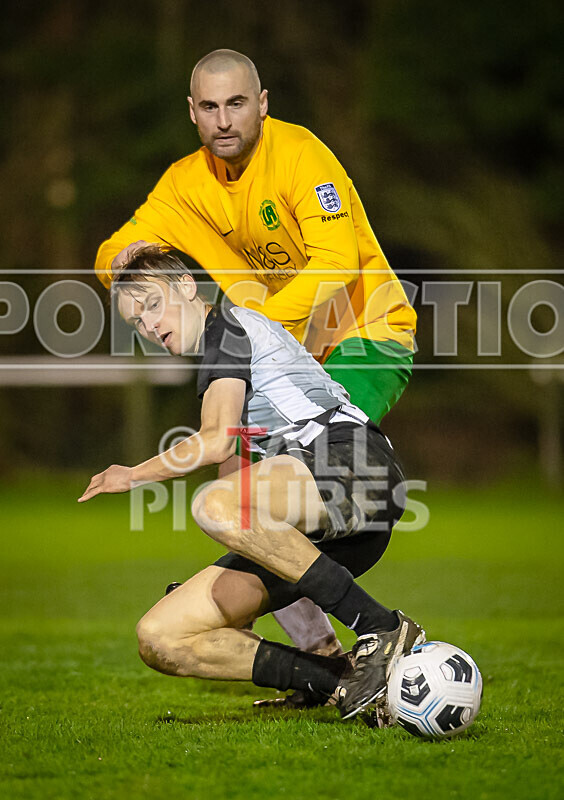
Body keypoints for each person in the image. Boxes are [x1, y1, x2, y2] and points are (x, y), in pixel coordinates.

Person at [93, 48, 417, 700]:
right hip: (272, 351)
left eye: (235, 103)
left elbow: (334, 263)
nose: (223, 119)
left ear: (262, 103)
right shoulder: (186, 183)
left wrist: (255, 324)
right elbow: (115, 252)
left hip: (361, 335)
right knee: (236, 482)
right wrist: (120, 263)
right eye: (209, 107)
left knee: (261, 480)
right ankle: (323, 660)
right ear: (192, 113)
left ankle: (373, 629)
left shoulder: (301, 156)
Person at [79, 246, 425, 720]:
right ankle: (335, 680)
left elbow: (216, 442)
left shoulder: (230, 327)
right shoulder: (221, 359)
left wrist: (132, 474)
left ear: (186, 287)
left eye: (152, 305)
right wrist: (229, 587)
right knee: (162, 636)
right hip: (324, 519)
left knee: (214, 505)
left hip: (358, 467)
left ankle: (383, 628)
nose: (148, 326)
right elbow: (238, 474)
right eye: (135, 322)